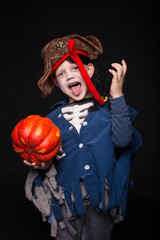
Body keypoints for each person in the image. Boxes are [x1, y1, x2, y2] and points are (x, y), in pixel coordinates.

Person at [24, 34, 142, 239]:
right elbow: (48, 158)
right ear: (56, 83)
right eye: (61, 74)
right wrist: (42, 165)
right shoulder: (50, 122)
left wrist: (117, 95)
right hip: (64, 201)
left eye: (75, 68)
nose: (69, 76)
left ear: (89, 69)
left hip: (99, 202)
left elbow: (123, 140)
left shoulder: (110, 110)